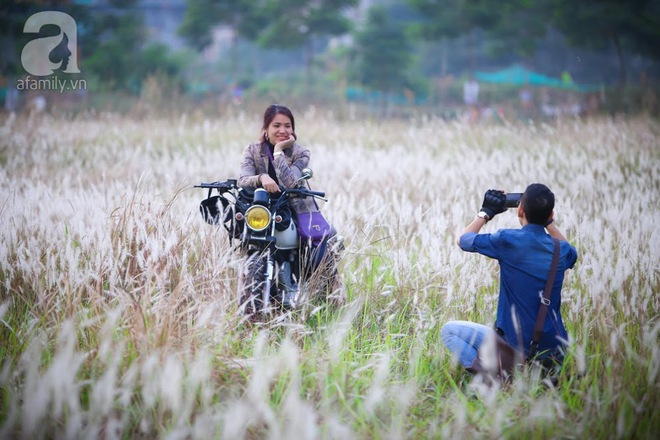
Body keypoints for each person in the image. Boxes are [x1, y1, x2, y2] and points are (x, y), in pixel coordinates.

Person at [442, 184, 578, 383]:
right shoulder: (561, 250)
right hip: (554, 352)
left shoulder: (508, 240)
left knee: (449, 331)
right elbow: (569, 249)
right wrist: (549, 223)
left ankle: (498, 381)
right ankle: (542, 376)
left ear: (520, 210)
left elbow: (463, 240)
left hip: (516, 348)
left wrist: (485, 213)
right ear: (551, 213)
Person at [237, 104, 341, 302]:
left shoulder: (301, 153)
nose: (282, 130)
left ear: (293, 129)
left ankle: (316, 293)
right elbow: (243, 179)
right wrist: (262, 178)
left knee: (316, 251)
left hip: (296, 209)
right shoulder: (252, 150)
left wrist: (278, 152)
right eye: (276, 125)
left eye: (288, 125)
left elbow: (290, 182)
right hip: (263, 209)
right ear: (266, 128)